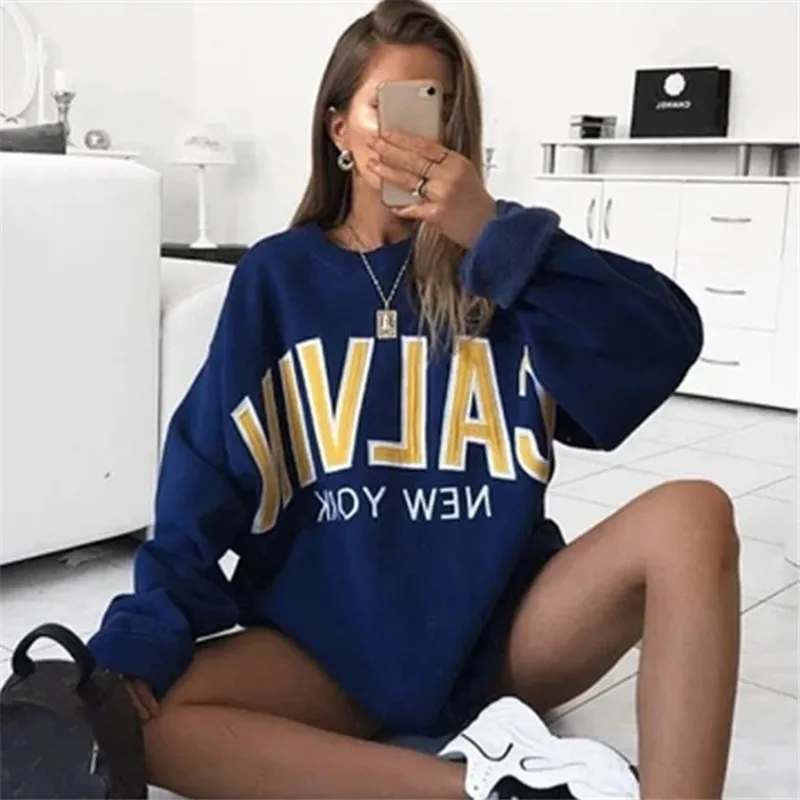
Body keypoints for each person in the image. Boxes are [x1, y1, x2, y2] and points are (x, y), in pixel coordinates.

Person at [88, 1, 741, 798]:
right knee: (137, 724)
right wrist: (148, 629)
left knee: (693, 514)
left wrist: (494, 234)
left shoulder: (504, 268)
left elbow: (663, 342)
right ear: (338, 130)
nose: (415, 137)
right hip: (328, 649)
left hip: (500, 641)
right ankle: (489, 789)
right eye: (388, 109)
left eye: (437, 110)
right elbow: (205, 470)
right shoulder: (279, 277)